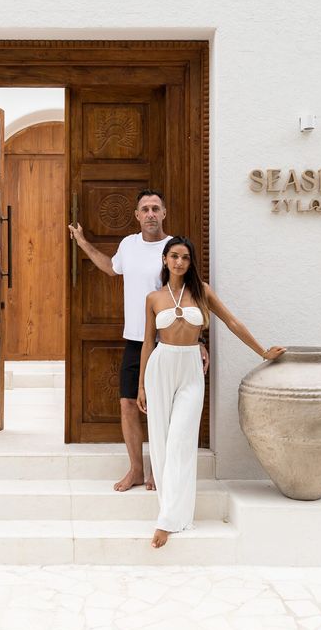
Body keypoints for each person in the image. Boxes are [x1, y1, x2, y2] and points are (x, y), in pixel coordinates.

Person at [137, 236, 285, 548]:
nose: (180, 262)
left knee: (180, 441)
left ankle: (166, 522)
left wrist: (262, 351)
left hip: (190, 367)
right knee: (162, 445)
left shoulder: (201, 292)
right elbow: (148, 343)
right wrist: (140, 386)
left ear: (190, 263)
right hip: (160, 367)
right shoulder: (153, 298)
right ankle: (171, 512)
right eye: (174, 256)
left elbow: (231, 321)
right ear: (165, 260)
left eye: (185, 258)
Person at [68, 190, 208, 492]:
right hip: (136, 341)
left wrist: (199, 339)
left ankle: (159, 471)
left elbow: (191, 296)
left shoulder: (173, 250)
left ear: (164, 213)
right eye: (145, 209)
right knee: (128, 404)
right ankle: (135, 469)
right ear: (137, 215)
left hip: (171, 343)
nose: (150, 214)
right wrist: (82, 243)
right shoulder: (128, 245)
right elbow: (111, 268)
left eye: (156, 208)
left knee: (163, 410)